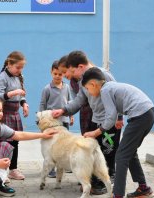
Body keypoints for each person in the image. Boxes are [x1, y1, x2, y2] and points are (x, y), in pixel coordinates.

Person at [52, 50, 121, 195]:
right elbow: (79, 100)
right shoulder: (83, 80)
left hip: (110, 122)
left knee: (108, 151)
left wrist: (119, 118)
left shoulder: (103, 74)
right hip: (97, 121)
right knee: (97, 150)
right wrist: (64, 110)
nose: (70, 75)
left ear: (81, 66)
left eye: (71, 71)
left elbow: (117, 95)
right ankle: (95, 181)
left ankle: (106, 182)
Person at [81, 67, 154, 198]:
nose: (88, 92)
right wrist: (119, 118)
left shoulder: (105, 91)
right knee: (130, 152)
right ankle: (143, 189)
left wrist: (95, 132)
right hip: (149, 112)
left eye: (87, 88)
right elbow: (119, 104)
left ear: (93, 84)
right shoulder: (111, 86)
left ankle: (117, 194)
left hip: (140, 116)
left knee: (121, 156)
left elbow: (110, 116)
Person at [0, 51, 29, 180]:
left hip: (15, 113)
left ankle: (13, 169)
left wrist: (24, 104)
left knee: (15, 142)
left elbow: (22, 94)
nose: (19, 70)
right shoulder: (2, 77)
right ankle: (2, 171)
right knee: (5, 143)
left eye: (21, 68)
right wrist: (12, 93)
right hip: (5, 113)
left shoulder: (18, 76)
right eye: (18, 67)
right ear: (9, 64)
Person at [39, 60, 73, 178]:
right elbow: (42, 105)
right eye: (55, 74)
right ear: (51, 73)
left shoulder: (67, 87)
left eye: (60, 74)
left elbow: (69, 102)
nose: (57, 76)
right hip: (51, 124)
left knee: (64, 145)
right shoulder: (47, 89)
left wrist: (71, 116)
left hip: (64, 121)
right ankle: (51, 169)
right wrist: (41, 121)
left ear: (63, 74)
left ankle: (64, 166)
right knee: (52, 145)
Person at [58, 55, 92, 135]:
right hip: (85, 116)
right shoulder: (73, 83)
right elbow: (76, 101)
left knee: (106, 144)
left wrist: (119, 117)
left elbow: (113, 96)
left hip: (99, 116)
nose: (64, 75)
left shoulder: (97, 75)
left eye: (64, 72)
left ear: (71, 67)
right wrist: (65, 111)